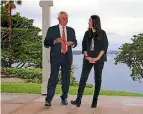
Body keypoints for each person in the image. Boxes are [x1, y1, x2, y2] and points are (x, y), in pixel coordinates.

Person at [71, 15, 108, 108]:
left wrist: (96, 58)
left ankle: (94, 101)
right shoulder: (87, 33)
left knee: (98, 79)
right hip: (88, 59)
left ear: (95, 22)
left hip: (99, 60)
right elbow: (84, 46)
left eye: (90, 20)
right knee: (83, 78)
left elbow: (104, 47)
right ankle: (78, 99)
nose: (88, 22)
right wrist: (87, 56)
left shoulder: (102, 33)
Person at [44, 11, 77, 107]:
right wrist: (54, 41)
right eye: (63, 18)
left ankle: (64, 97)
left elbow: (75, 42)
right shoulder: (52, 29)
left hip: (67, 57)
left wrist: (72, 43)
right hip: (56, 57)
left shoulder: (71, 30)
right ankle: (48, 100)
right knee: (53, 77)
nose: (65, 20)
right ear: (58, 19)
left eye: (67, 18)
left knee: (66, 79)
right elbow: (46, 42)